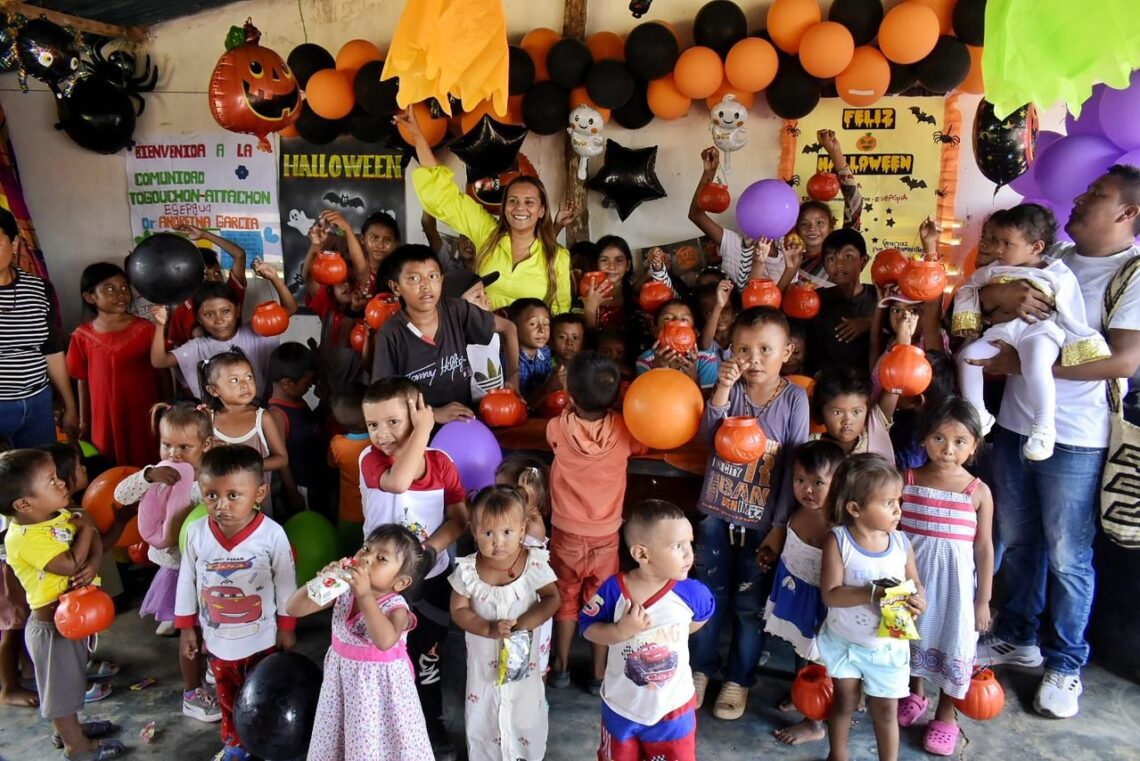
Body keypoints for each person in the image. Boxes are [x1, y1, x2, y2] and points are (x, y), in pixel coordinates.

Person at [970, 165, 1140, 718]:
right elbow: (986, 301)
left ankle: (1066, 663)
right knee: (1021, 541)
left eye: (1097, 194)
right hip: (1015, 423)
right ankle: (1019, 635)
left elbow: (1124, 360)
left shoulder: (1132, 275)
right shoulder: (1055, 256)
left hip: (1077, 436)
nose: (1081, 198)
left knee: (1069, 555)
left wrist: (1026, 365)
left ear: (1128, 212)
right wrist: (1003, 297)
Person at [691, 307, 809, 720]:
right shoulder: (730, 389)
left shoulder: (794, 399)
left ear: (786, 352)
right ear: (730, 351)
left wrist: (779, 527)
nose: (753, 359)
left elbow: (793, 468)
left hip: (761, 526)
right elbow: (707, 438)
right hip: (715, 515)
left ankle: (738, 679)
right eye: (743, 349)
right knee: (707, 597)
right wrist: (722, 391)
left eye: (765, 349)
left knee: (749, 605)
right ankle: (700, 670)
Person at [359, 378, 469, 760]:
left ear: (416, 412)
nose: (382, 434)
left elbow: (460, 519)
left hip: (429, 579)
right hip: (378, 584)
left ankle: (429, 720)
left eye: (393, 421)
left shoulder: (443, 464)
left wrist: (428, 552)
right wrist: (424, 428)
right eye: (373, 424)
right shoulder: (369, 459)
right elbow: (399, 481)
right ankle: (381, 727)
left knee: (427, 657)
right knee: (380, 654)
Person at [954, 204, 1109, 460]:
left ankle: (1044, 426)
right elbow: (968, 289)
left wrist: (1074, 339)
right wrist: (972, 314)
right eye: (997, 242)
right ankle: (978, 413)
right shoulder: (993, 269)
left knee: (1036, 364)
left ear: (1036, 247)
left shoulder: (1057, 272)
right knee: (967, 357)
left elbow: (1070, 309)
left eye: (1007, 243)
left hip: (1039, 331)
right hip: (1003, 333)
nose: (999, 249)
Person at [0, 448, 126, 761]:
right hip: (51, 629)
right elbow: (70, 564)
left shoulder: (55, 515)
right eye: (51, 481)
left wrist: (92, 559)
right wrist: (85, 529)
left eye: (57, 476)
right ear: (24, 504)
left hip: (71, 622)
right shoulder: (24, 537)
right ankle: (77, 748)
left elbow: (92, 545)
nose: (61, 483)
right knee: (60, 692)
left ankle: (70, 730)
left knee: (69, 683)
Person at [175, 445, 297, 761]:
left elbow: (286, 584)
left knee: (264, 697)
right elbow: (186, 580)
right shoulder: (197, 533)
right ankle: (235, 744)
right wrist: (187, 627)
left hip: (263, 641)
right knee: (228, 698)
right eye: (211, 495)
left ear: (259, 493)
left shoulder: (272, 534)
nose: (221, 505)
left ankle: (266, 745)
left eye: (233, 495)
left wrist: (287, 627)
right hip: (218, 642)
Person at [399, 108, 572, 314]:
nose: (520, 207)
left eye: (529, 202)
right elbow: (445, 198)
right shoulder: (487, 233)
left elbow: (561, 314)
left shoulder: (557, 257)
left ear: (542, 210)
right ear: (504, 207)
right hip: (483, 333)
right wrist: (417, 135)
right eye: (513, 200)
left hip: (530, 336)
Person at [895, 398, 993, 756]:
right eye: (938, 438)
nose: (948, 449)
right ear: (923, 439)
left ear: (974, 445)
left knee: (954, 645)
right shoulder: (906, 481)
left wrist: (983, 600)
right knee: (905, 640)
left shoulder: (978, 492)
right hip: (907, 582)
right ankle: (913, 693)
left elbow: (984, 548)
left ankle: (945, 715)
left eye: (959, 441)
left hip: (956, 591)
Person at [580, 500, 714, 761]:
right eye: (677, 546)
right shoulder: (614, 590)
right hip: (621, 706)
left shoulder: (692, 592)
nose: (689, 554)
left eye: (689, 542)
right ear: (642, 554)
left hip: (673, 709)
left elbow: (702, 617)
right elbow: (587, 627)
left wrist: (675, 632)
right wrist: (620, 631)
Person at [287, 524, 434, 761]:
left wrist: (364, 595)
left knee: (372, 746)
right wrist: (322, 581)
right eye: (366, 548)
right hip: (341, 689)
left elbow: (385, 640)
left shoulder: (397, 608)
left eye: (381, 558)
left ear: (401, 582)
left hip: (377, 696)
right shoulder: (343, 591)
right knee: (339, 742)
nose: (366, 558)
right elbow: (293, 608)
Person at [112, 402, 220, 722]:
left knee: (216, 627)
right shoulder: (159, 475)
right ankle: (192, 692)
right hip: (178, 572)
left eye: (184, 447)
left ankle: (215, 668)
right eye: (166, 444)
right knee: (191, 634)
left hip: (212, 572)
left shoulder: (211, 478)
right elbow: (121, 494)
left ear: (206, 444)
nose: (173, 454)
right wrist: (148, 475)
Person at [546, 352, 646, 692]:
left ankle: (560, 667)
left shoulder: (558, 427)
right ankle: (598, 673)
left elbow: (553, 433)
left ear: (570, 395)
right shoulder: (624, 430)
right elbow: (642, 445)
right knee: (599, 601)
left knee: (565, 597)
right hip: (606, 537)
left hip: (565, 534)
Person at [818, 454, 926, 761]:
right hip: (844, 642)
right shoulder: (839, 542)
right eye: (888, 503)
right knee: (844, 702)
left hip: (888, 646)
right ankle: (838, 755)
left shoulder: (901, 543)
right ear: (855, 509)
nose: (898, 510)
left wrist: (919, 601)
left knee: (886, 711)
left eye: (898, 501)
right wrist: (872, 593)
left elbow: (916, 584)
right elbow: (831, 595)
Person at [449, 486, 559, 760]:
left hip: (524, 662)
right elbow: (458, 609)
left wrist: (524, 624)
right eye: (488, 533)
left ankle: (525, 754)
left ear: (522, 530)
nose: (498, 542)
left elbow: (552, 598)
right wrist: (487, 628)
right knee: (484, 707)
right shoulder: (468, 570)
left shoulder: (533, 564)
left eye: (507, 532)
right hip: (483, 664)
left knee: (524, 708)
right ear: (474, 531)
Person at [690, 129, 861, 290]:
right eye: (804, 224)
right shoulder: (787, 258)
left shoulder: (840, 260)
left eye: (820, 222)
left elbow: (854, 205)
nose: (812, 228)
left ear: (831, 225)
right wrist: (709, 173)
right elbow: (772, 300)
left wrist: (836, 154)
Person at [764, 440, 846, 746]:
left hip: (821, 607)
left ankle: (814, 722)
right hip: (796, 596)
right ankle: (803, 694)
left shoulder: (838, 525)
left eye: (818, 483)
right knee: (800, 652)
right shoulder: (797, 512)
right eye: (800, 480)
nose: (807, 489)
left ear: (838, 483)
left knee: (820, 662)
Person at [370, 244, 497, 425]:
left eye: (433, 276)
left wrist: (513, 378)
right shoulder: (391, 334)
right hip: (417, 431)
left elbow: (507, 328)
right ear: (396, 287)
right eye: (414, 278)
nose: (426, 286)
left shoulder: (457, 310)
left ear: (442, 280)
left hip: (465, 424)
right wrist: (434, 414)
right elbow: (383, 398)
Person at [150, 260, 297, 400]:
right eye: (209, 315)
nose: (219, 320)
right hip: (217, 417)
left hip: (258, 412)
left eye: (225, 311)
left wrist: (274, 278)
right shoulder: (196, 348)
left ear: (237, 310)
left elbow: (289, 309)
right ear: (199, 319)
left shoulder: (256, 331)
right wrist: (160, 326)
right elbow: (159, 361)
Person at [67, 263, 161, 468]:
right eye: (109, 289)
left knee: (147, 456)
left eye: (125, 287)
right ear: (90, 297)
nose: (121, 294)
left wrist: (165, 409)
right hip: (105, 416)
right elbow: (82, 380)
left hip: (143, 409)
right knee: (110, 464)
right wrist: (84, 420)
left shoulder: (146, 329)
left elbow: (161, 373)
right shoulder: (82, 336)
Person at [0, 208, 78, 448]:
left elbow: (52, 350)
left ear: (14, 243)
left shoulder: (38, 289)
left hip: (38, 403)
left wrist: (69, 404)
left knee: (41, 466)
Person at [198, 350, 288, 514]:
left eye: (249, 377)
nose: (245, 384)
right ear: (213, 390)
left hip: (256, 502)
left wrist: (245, 467)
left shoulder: (263, 418)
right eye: (234, 380)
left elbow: (281, 459)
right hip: (221, 503)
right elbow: (197, 460)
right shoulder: (208, 419)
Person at [495, 456, 554, 677]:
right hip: (517, 593)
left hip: (527, 602)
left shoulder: (532, 527)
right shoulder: (523, 518)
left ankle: (535, 692)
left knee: (531, 659)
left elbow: (514, 560)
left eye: (500, 490)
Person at [267, 342, 330, 516]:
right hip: (302, 484)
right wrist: (293, 492)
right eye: (307, 382)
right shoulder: (277, 415)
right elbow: (281, 458)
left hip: (315, 478)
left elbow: (308, 425)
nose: (310, 386)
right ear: (287, 383)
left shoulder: (296, 400)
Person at [803, 228, 876, 376]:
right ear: (824, 265)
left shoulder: (879, 295)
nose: (839, 265)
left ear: (863, 261)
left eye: (848, 256)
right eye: (831, 259)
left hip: (871, 382)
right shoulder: (815, 300)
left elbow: (904, 326)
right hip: (828, 383)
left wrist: (870, 323)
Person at [441, 269, 520, 401]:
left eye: (485, 293)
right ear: (456, 307)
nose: (487, 300)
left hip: (497, 405)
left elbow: (509, 327)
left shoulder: (491, 328)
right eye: (478, 296)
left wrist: (513, 376)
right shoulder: (452, 341)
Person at [164, 225, 248, 347]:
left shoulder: (231, 293)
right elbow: (175, 348)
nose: (213, 279)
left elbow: (239, 255)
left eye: (217, 273)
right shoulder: (182, 309)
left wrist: (204, 235)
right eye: (205, 275)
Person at [811, 365, 903, 460]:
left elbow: (895, 384)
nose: (847, 421)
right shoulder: (810, 447)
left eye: (856, 412)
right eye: (837, 412)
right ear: (821, 411)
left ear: (867, 410)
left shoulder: (874, 430)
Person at [636, 299, 720, 391]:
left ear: (695, 333)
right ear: (655, 331)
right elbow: (648, 396)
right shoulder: (645, 361)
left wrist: (692, 374)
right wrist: (658, 370)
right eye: (668, 318)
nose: (676, 323)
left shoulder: (706, 359)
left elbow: (707, 398)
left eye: (684, 319)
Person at [327, 385, 371, 555]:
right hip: (373, 510)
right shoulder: (378, 442)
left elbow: (331, 464)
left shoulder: (337, 444)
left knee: (349, 553)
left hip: (348, 511)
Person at [510, 298, 555, 401]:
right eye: (533, 324)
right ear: (513, 327)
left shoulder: (545, 351)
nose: (542, 330)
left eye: (546, 323)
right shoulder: (509, 360)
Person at [697, 279, 736, 360]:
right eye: (709, 311)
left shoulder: (739, 336)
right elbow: (704, 345)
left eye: (725, 308)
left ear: (735, 311)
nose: (720, 316)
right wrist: (719, 306)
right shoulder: (705, 338)